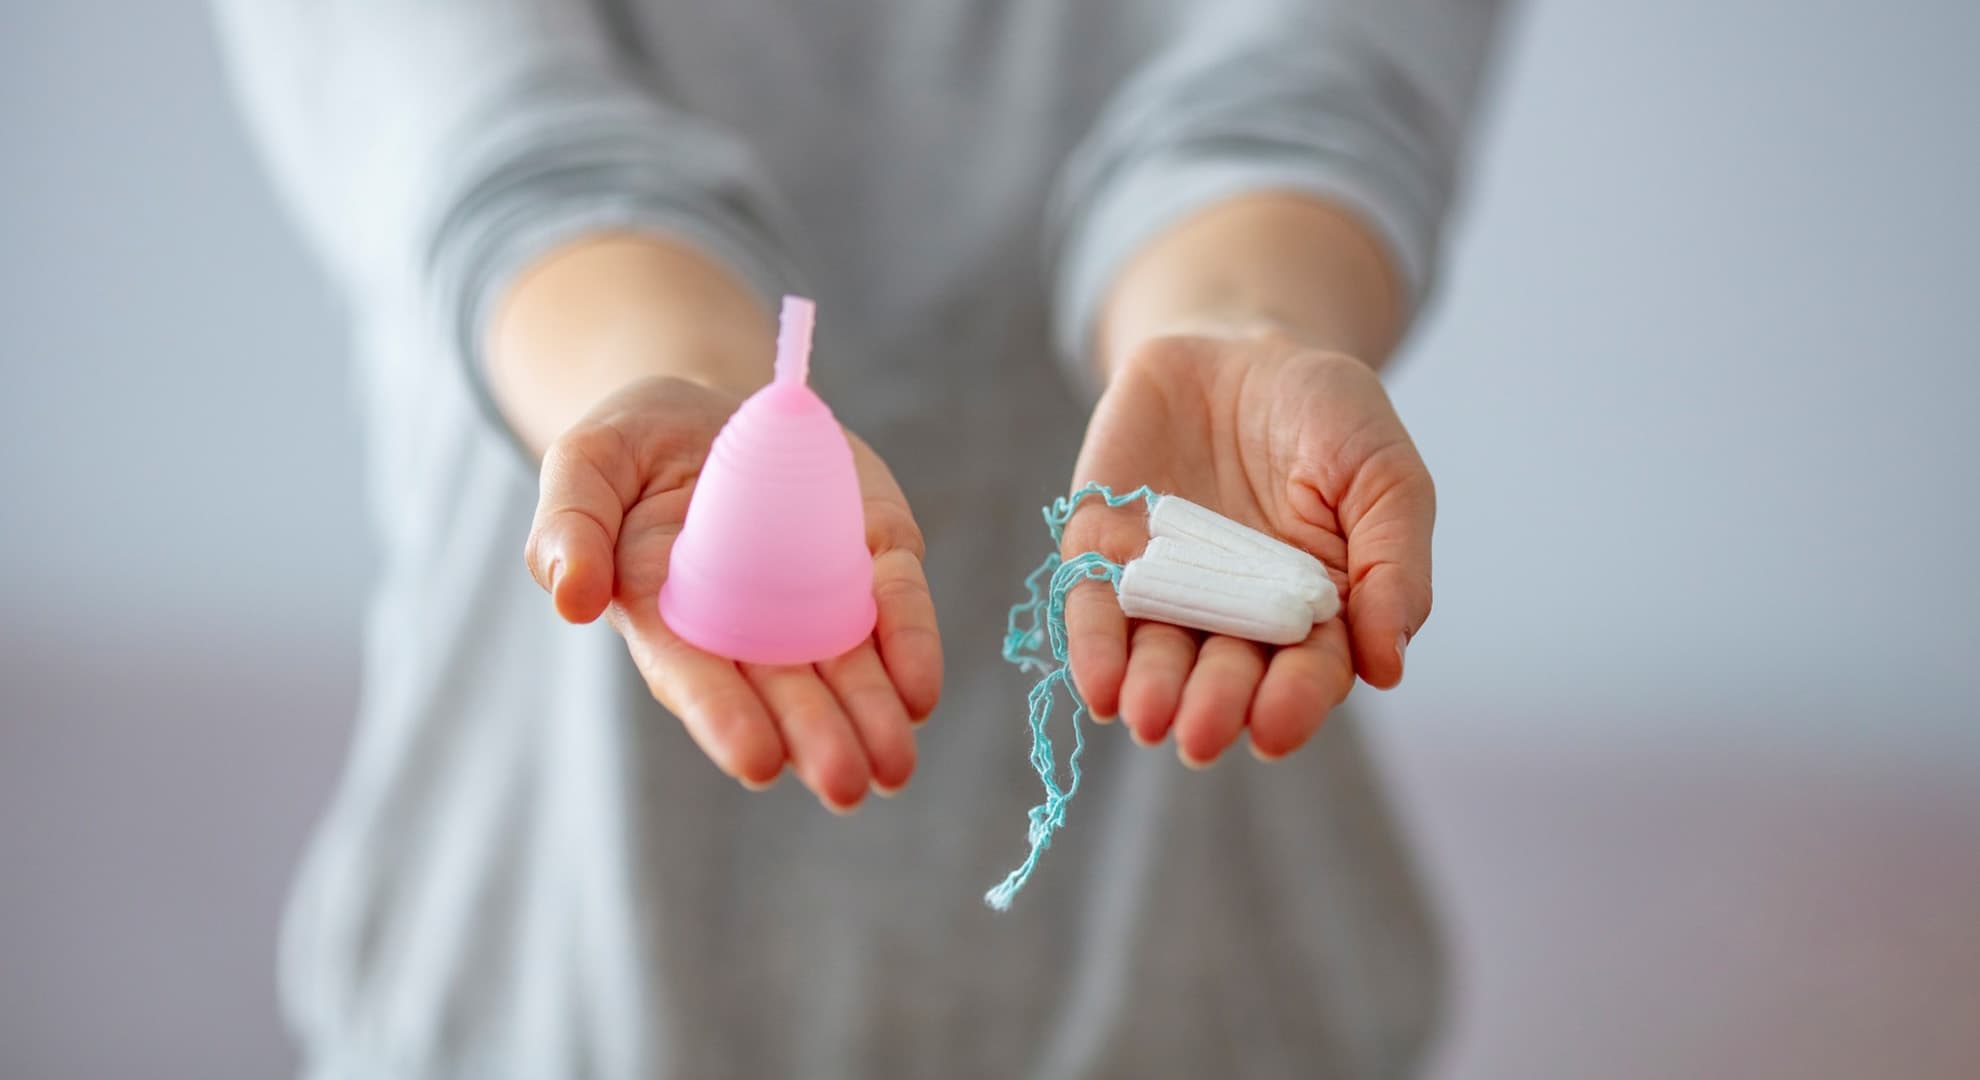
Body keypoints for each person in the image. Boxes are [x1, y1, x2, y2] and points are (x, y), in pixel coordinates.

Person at [214, 1, 1502, 1076]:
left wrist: (1239, 328)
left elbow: (1306, 99)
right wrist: (663, 379)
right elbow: (511, 158)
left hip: (1216, 1003)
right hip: (534, 1002)